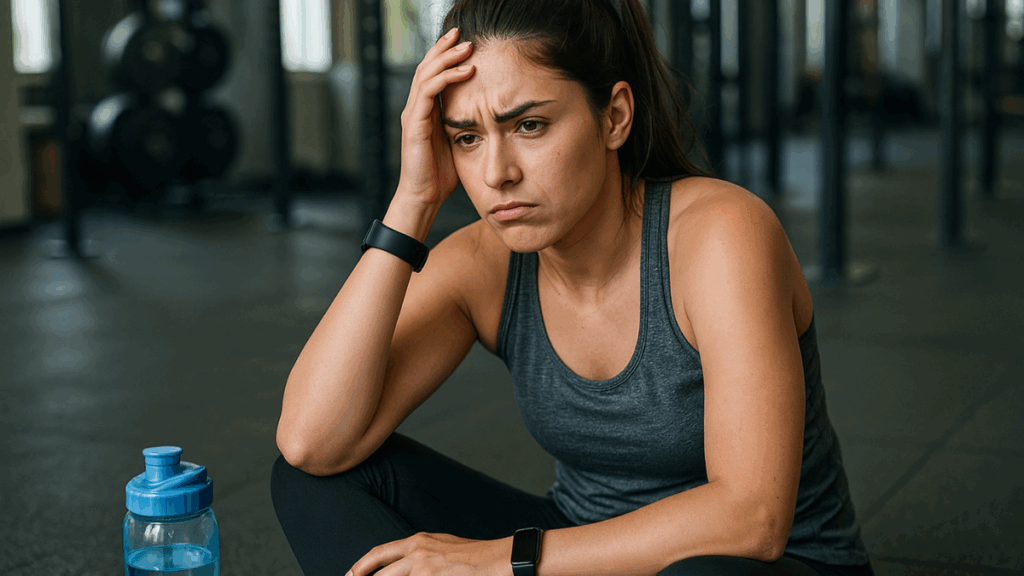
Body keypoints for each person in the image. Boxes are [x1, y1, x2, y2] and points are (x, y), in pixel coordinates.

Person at [271, 0, 875, 575]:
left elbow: (752, 521)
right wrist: (412, 201)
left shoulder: (720, 235)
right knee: (316, 478)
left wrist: (500, 561)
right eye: (467, 138)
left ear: (613, 116)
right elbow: (311, 443)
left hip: (769, 566)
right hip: (576, 550)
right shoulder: (485, 262)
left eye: (529, 125)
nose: (496, 174)